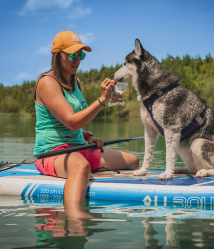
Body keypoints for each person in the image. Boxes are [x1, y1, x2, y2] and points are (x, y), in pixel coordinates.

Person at [34, 30, 139, 217]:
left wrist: (87, 135)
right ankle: (75, 220)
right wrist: (102, 100)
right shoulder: (47, 82)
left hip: (77, 147)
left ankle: (91, 180)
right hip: (52, 152)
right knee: (81, 166)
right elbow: (71, 122)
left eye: (80, 54)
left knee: (133, 161)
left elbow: (75, 126)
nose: (77, 60)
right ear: (57, 56)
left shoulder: (76, 81)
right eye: (72, 54)